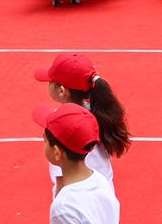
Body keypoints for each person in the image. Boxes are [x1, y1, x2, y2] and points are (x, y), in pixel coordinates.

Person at [36, 52, 132, 186]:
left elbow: (62, 178)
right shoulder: (99, 112)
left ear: (62, 91)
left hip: (77, 198)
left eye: (51, 81)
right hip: (102, 191)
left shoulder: (65, 128)